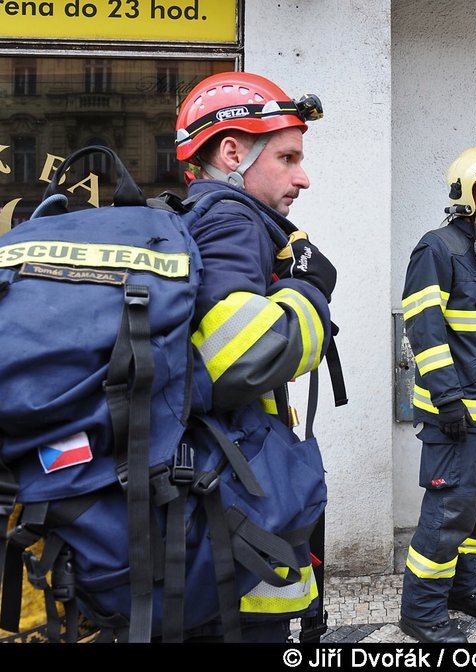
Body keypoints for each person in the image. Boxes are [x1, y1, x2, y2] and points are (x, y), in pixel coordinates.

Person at [174, 71, 337, 642]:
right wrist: (310, 290)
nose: (304, 178)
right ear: (232, 151)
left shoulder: (194, 218)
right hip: (229, 502)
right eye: (288, 158)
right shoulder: (231, 218)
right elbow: (238, 357)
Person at [398, 147, 476, 643]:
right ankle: (421, 611)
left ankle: (459, 590)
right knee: (448, 512)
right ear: (465, 192)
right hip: (457, 414)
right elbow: (424, 329)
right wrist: (447, 399)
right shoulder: (437, 248)